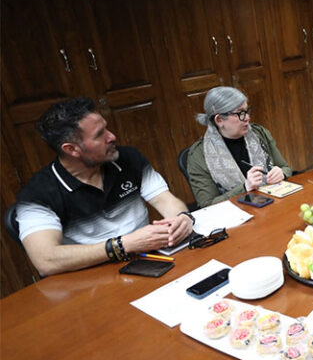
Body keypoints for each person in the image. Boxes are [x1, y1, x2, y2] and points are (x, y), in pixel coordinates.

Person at [15, 97, 194, 277]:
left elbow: (164, 199)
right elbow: (45, 260)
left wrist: (182, 218)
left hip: (150, 262)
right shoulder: (37, 195)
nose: (112, 136)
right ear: (72, 149)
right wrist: (123, 245)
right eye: (100, 134)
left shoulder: (128, 158)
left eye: (106, 128)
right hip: (92, 277)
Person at [187, 86, 291, 208]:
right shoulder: (199, 155)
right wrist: (245, 188)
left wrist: (281, 173)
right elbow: (207, 205)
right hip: (235, 213)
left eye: (247, 111)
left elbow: (285, 168)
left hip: (272, 204)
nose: (247, 118)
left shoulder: (259, 134)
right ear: (219, 120)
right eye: (240, 113)